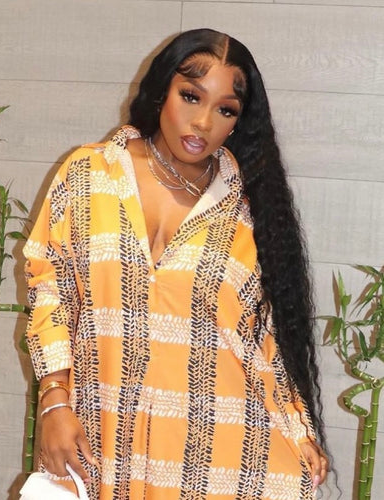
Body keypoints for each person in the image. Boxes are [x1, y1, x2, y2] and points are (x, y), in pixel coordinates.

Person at [23, 28, 329, 499]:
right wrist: (53, 401)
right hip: (98, 436)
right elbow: (51, 290)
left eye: (226, 109)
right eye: (191, 96)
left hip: (211, 450)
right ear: (162, 89)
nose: (203, 122)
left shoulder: (248, 210)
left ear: (239, 122)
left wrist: (297, 427)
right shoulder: (89, 174)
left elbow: (263, 335)